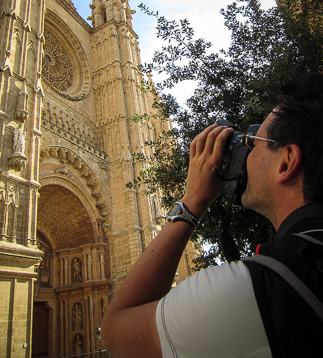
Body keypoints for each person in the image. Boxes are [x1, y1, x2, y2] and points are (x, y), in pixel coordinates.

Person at [101, 73, 323, 358]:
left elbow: (117, 333)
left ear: (287, 162)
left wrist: (191, 202)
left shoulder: (251, 293)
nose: (244, 150)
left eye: (254, 140)